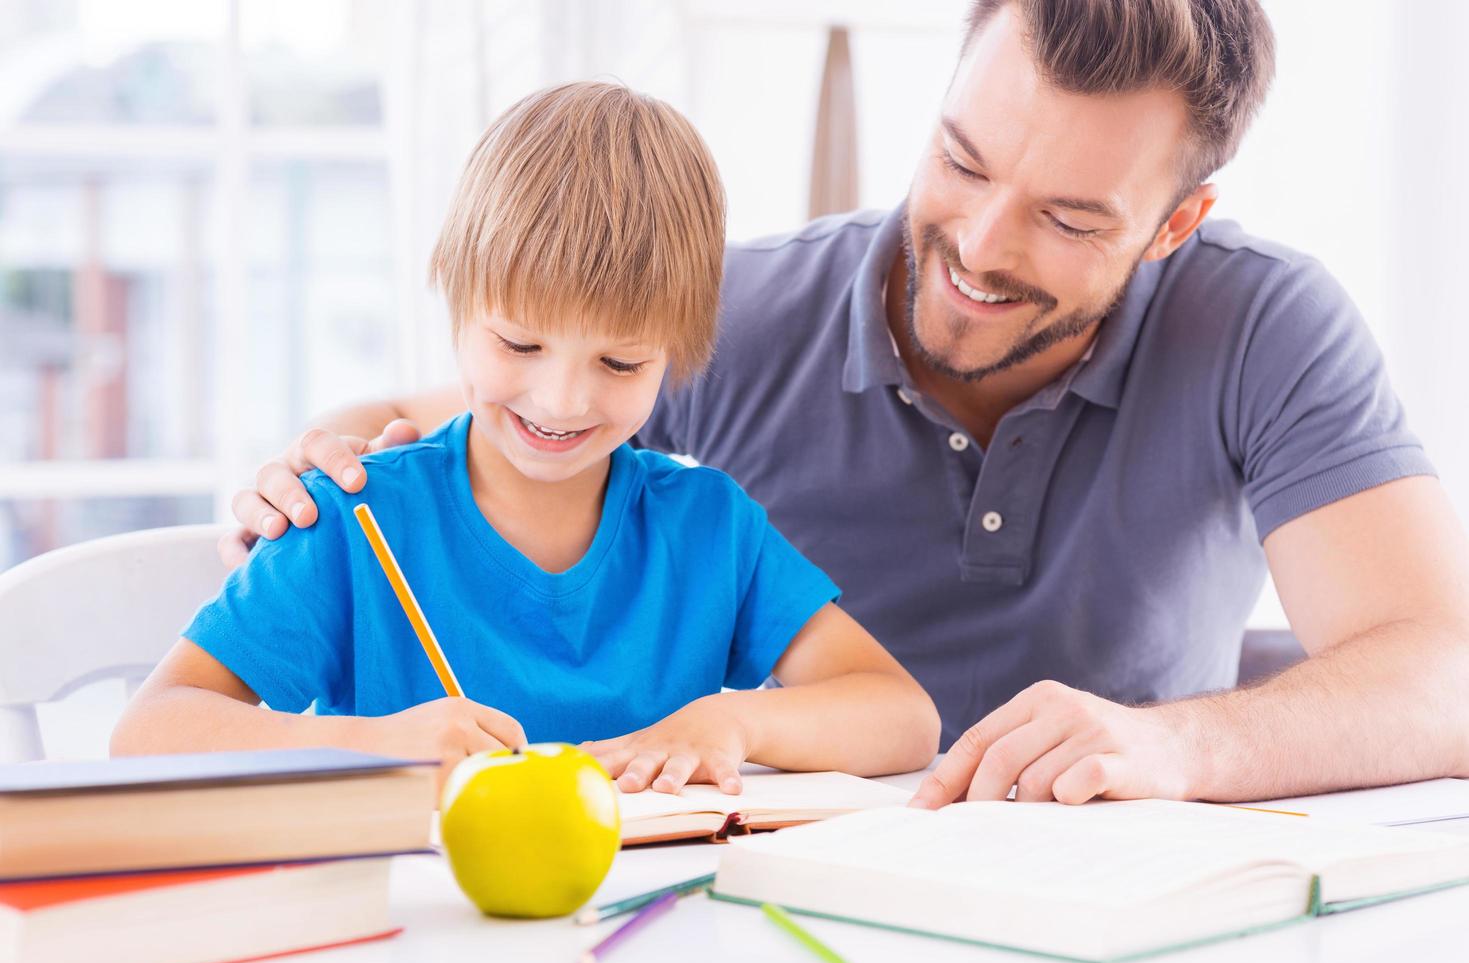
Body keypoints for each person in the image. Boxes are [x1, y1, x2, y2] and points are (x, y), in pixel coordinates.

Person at [223, 0, 1469, 808]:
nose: (977, 246)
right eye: (962, 161)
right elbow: (500, 401)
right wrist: (316, 452)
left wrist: (1176, 747)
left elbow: (1442, 672)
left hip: (1114, 906)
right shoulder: (737, 314)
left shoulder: (1259, 323)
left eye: (1068, 217)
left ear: (1172, 226)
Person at [111, 81, 941, 793]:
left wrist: (730, 722)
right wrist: (373, 744)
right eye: (519, 345)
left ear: (677, 357)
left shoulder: (708, 527)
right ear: (456, 309)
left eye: (619, 362)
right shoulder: (360, 519)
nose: (563, 399)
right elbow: (148, 732)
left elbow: (901, 718)